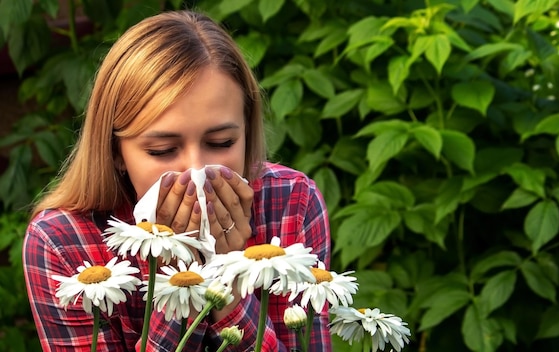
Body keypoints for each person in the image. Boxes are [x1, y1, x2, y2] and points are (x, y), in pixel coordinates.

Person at [23, 10, 332, 352]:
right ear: (115, 151)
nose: (195, 171)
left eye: (221, 143)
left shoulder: (291, 200)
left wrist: (225, 280)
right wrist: (179, 283)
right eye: (163, 150)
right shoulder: (62, 241)